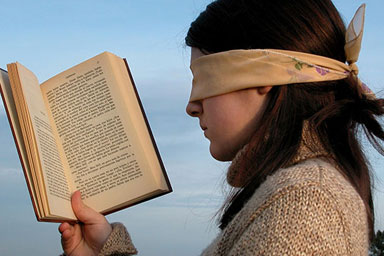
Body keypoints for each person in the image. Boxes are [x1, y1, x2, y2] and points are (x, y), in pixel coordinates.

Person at [59, 0, 384, 255]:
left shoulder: (306, 203)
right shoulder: (307, 191)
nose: (191, 105)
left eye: (203, 79)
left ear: (263, 76)